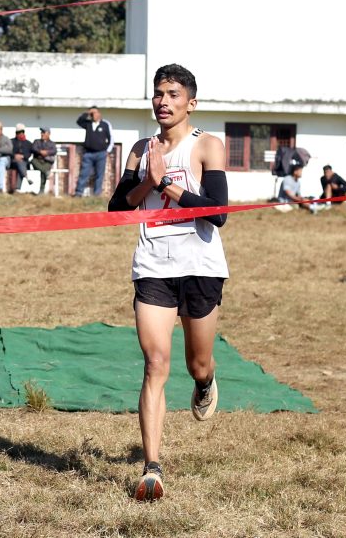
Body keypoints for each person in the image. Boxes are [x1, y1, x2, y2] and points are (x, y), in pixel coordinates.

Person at [107, 64, 230, 502]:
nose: (163, 101)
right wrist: (148, 182)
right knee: (155, 363)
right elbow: (118, 209)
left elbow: (218, 212)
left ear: (190, 103)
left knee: (197, 363)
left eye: (173, 94)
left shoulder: (207, 146)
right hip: (153, 266)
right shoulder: (140, 150)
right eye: (158, 93)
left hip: (200, 268)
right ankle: (152, 469)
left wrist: (171, 188)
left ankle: (205, 382)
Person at [74, 106, 114, 196]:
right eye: (92, 113)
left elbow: (111, 138)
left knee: (99, 175)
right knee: (84, 173)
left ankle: (96, 195)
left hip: (101, 154)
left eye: (95, 113)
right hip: (88, 154)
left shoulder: (105, 124)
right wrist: (87, 113)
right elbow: (79, 121)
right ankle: (78, 193)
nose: (93, 115)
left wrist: (107, 151)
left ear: (99, 113)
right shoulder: (88, 124)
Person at [30, 127, 57, 194]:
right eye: (41, 132)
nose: (42, 134)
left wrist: (47, 152)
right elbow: (33, 148)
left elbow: (54, 151)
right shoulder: (37, 141)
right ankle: (46, 172)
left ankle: (41, 190)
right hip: (37, 161)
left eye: (44, 132)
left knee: (44, 170)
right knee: (34, 162)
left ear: (48, 134)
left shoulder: (52, 143)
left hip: (47, 162)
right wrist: (40, 152)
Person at [9, 124, 34, 192]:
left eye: (21, 132)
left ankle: (18, 188)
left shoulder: (28, 143)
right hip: (13, 162)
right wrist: (15, 156)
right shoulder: (11, 142)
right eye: (18, 132)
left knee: (21, 165)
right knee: (20, 164)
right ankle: (26, 177)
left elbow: (29, 154)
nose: (20, 134)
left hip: (24, 162)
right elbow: (9, 151)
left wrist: (22, 156)